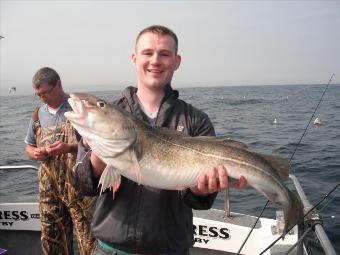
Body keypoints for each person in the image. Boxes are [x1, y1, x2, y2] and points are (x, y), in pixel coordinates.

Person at [72, 25, 247, 255]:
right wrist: (102, 151)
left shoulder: (196, 120)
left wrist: (201, 189)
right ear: (134, 59)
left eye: (164, 54)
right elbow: (82, 184)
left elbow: (200, 202)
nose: (155, 60)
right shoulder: (110, 116)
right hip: (109, 249)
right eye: (147, 53)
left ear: (177, 61)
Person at [24, 67, 96, 255]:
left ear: (59, 84)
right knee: (53, 241)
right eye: (38, 95)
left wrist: (70, 147)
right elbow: (28, 148)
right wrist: (36, 153)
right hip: (49, 192)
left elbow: (97, 145)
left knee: (88, 242)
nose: (42, 98)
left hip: (80, 190)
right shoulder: (37, 115)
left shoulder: (79, 108)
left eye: (45, 93)